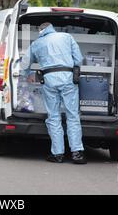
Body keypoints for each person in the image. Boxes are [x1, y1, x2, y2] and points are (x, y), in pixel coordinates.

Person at [21, 22, 86, 164]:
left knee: (53, 116)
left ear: (40, 30)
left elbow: (25, 64)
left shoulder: (36, 43)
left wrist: (25, 76)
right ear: (52, 28)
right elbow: (79, 59)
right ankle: (77, 153)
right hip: (68, 78)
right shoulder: (66, 37)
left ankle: (57, 154)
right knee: (72, 115)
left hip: (49, 79)